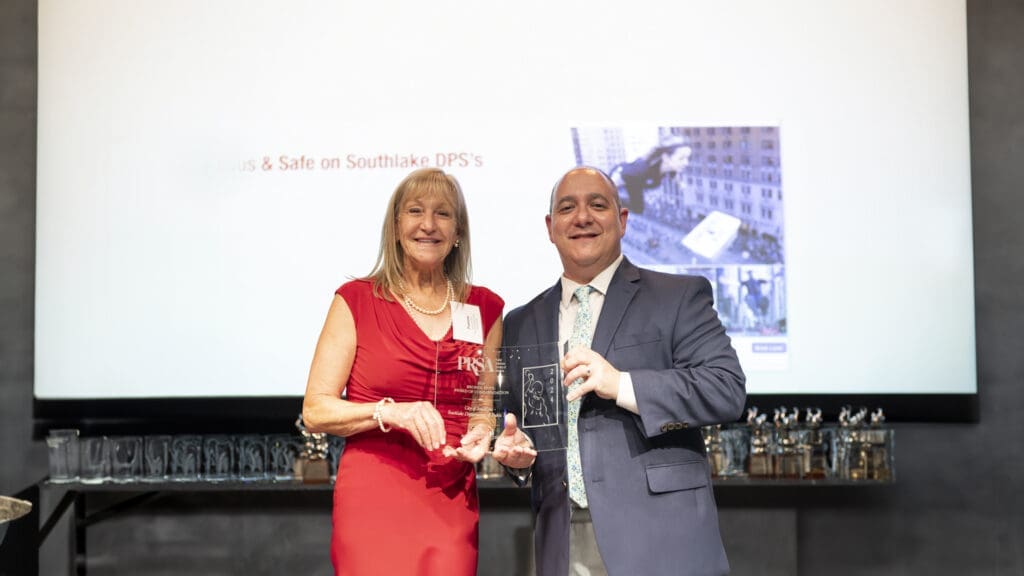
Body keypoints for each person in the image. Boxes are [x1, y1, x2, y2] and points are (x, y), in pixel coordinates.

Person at [499, 166, 746, 576]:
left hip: (661, 539)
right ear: (550, 226)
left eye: (598, 205)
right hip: (561, 541)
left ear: (622, 220)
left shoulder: (676, 297)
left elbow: (726, 389)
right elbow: (516, 429)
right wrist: (516, 457)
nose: (582, 217)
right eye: (567, 207)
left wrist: (621, 383)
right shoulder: (521, 321)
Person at [302, 168, 506, 575]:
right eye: (415, 211)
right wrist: (390, 412)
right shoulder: (356, 300)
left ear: (458, 231)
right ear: (396, 227)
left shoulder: (484, 308)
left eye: (443, 214)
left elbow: (482, 408)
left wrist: (483, 432)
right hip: (374, 494)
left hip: (451, 495)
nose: (428, 224)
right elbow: (316, 410)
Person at [609, 139, 692, 215]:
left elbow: (674, 175)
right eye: (681, 158)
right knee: (637, 208)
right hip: (623, 176)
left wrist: (681, 184)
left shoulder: (671, 168)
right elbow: (619, 175)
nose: (686, 163)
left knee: (638, 209)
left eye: (688, 158)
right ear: (666, 157)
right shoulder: (641, 168)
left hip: (637, 181)